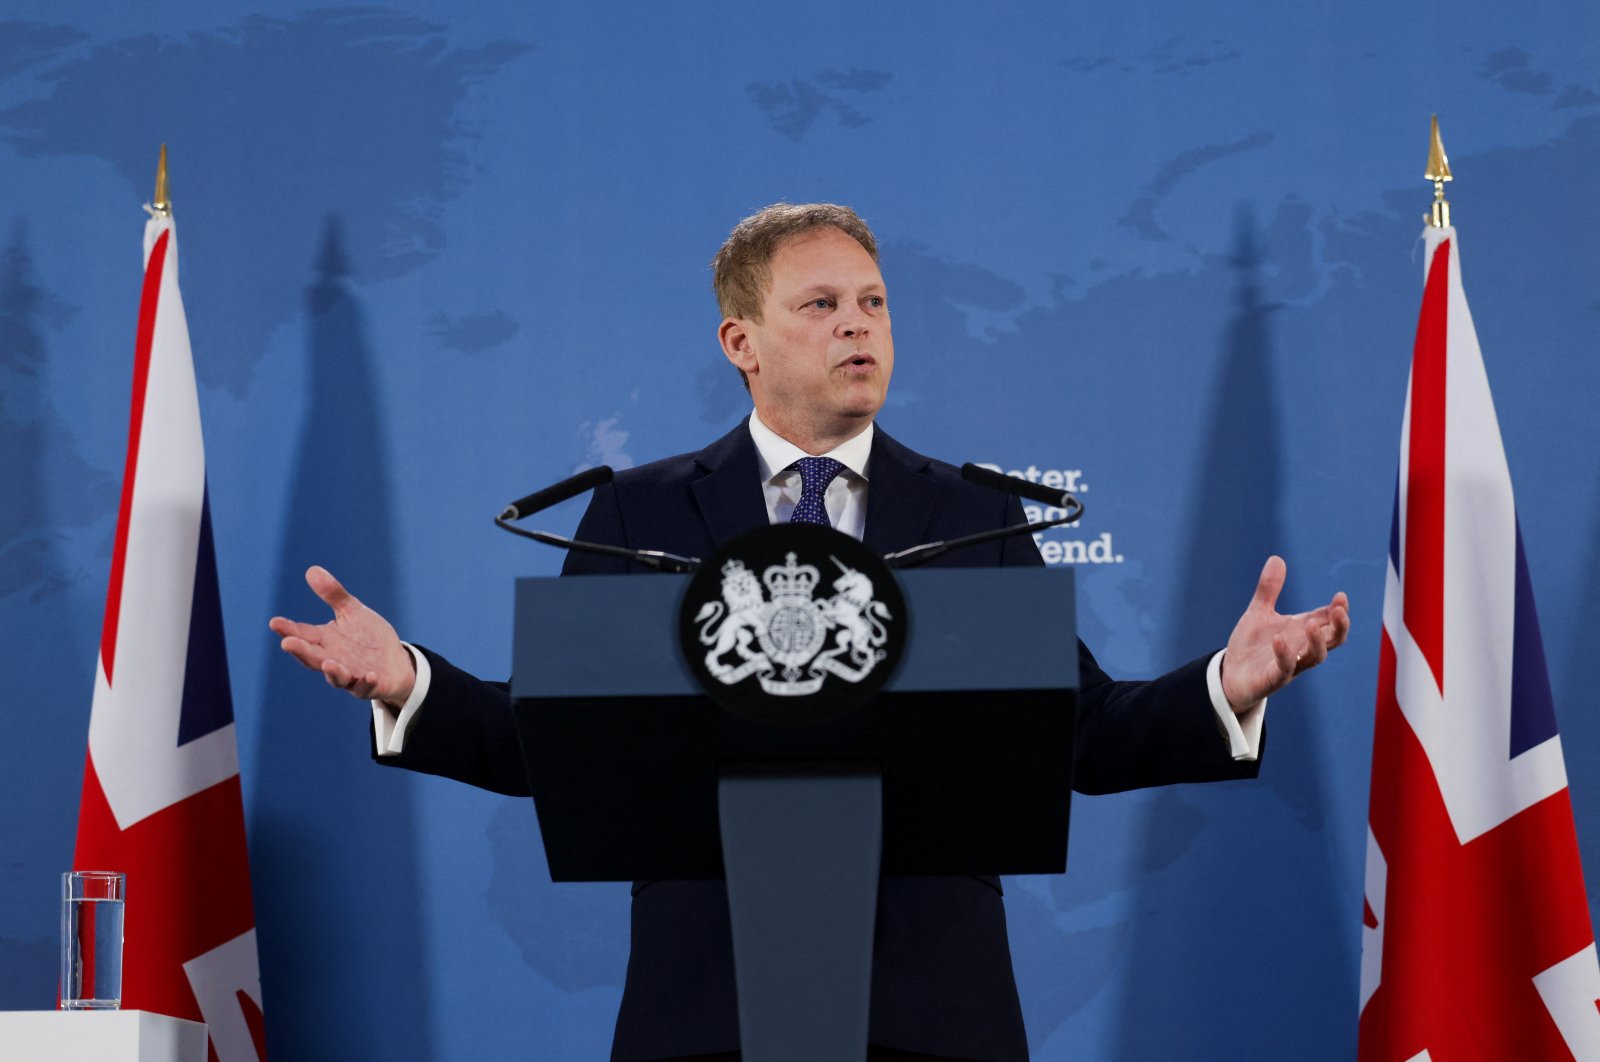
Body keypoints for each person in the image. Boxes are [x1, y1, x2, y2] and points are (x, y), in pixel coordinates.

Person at [270, 203, 1350, 1060]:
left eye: (874, 303)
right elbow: (552, 737)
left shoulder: (973, 514)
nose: (857, 326)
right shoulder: (641, 515)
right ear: (741, 341)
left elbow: (1076, 731)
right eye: (822, 303)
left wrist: (1227, 684)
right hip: (708, 1004)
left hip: (933, 1007)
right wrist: (409, 680)